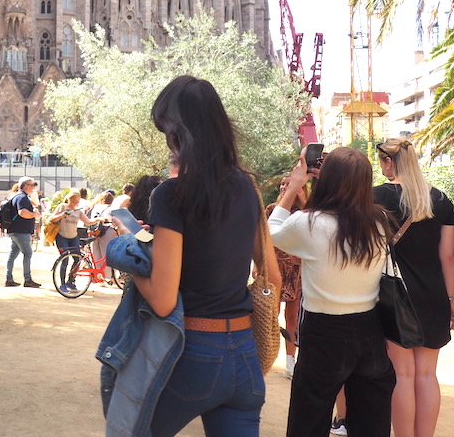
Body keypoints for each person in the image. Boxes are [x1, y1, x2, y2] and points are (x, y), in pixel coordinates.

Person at [132, 75, 280, 436]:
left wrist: (131, 261)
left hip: (193, 350)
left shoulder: (171, 195)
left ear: (177, 133)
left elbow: (163, 301)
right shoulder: (246, 186)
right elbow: (272, 277)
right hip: (244, 354)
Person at [269, 146, 395, 437]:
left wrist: (295, 186)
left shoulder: (310, 223)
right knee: (371, 419)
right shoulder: (379, 221)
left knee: (308, 418)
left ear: (326, 180)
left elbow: (272, 231)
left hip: (323, 330)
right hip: (369, 327)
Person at [374, 138, 454, 437]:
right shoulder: (441, 200)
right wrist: (451, 298)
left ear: (389, 162)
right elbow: (448, 256)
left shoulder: (377, 197)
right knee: (427, 374)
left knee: (403, 375)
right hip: (434, 295)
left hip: (395, 296)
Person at [264, 175, 307, 381]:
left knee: (293, 319)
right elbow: (263, 239)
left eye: (288, 184)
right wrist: (260, 265)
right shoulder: (272, 210)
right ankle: (265, 355)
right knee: (270, 315)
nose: (283, 187)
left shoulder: (304, 213)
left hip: (297, 272)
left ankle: (291, 360)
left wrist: (304, 202)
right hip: (275, 269)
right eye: (282, 184)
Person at [47, 189, 92, 293]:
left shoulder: (78, 211)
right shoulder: (62, 207)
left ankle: (71, 281)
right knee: (65, 259)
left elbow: (88, 221)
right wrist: (61, 215)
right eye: (73, 201)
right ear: (68, 199)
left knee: (77, 259)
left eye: (77, 202)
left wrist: (101, 219)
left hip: (73, 237)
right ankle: (62, 284)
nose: (75, 204)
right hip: (62, 236)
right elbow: (52, 219)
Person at [5, 177, 42, 288]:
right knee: (28, 253)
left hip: (15, 230)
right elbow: (22, 212)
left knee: (13, 254)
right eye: (32, 185)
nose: (34, 187)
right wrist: (34, 214)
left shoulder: (17, 196)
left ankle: (9, 278)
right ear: (26, 186)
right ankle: (27, 279)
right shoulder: (22, 197)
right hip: (21, 231)